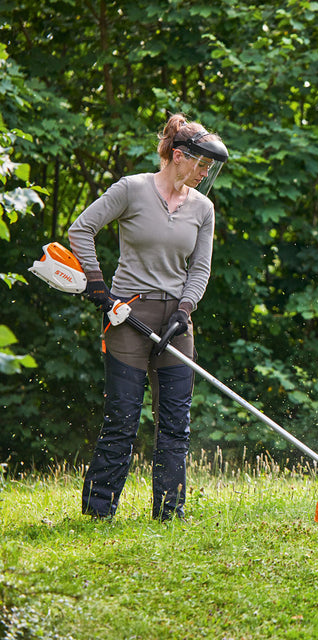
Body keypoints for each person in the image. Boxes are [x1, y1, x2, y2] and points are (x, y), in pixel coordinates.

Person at [68, 113, 228, 521]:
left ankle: (169, 514)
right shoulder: (132, 190)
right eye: (202, 164)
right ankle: (98, 512)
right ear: (178, 155)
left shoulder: (203, 209)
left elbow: (200, 269)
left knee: (175, 424)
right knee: (122, 418)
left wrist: (186, 309)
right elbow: (81, 230)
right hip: (126, 314)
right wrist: (99, 287)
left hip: (176, 320)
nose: (205, 173)